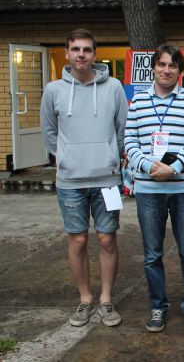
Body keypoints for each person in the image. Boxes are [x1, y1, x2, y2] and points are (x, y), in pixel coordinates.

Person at [40, 28, 127, 328]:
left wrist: (110, 156)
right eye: (76, 49)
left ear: (94, 54)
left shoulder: (113, 87)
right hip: (70, 181)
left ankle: (106, 299)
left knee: (107, 239)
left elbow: (122, 129)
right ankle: (85, 299)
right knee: (77, 240)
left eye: (87, 49)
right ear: (67, 53)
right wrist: (66, 156)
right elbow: (49, 132)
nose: (81, 55)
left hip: (107, 180)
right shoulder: (53, 90)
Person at [124, 45, 184, 333]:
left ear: (179, 71)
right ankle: (158, 307)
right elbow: (130, 141)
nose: (166, 70)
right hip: (149, 190)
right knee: (152, 255)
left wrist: (173, 168)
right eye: (161, 64)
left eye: (172, 65)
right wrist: (150, 167)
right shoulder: (138, 101)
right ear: (154, 68)